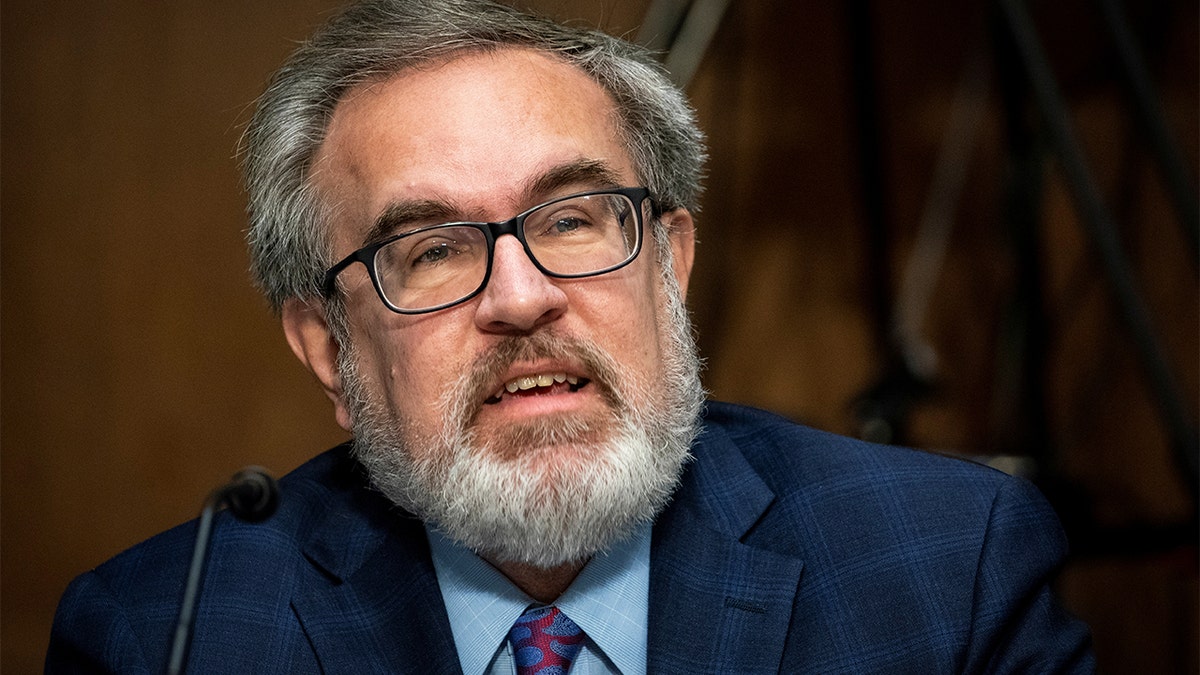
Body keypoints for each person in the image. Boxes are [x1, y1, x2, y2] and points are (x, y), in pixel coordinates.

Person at [46, 1, 1094, 672]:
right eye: (433, 251)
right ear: (328, 346)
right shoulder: (165, 638)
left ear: (670, 266)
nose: (521, 295)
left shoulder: (947, 569)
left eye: (572, 221)